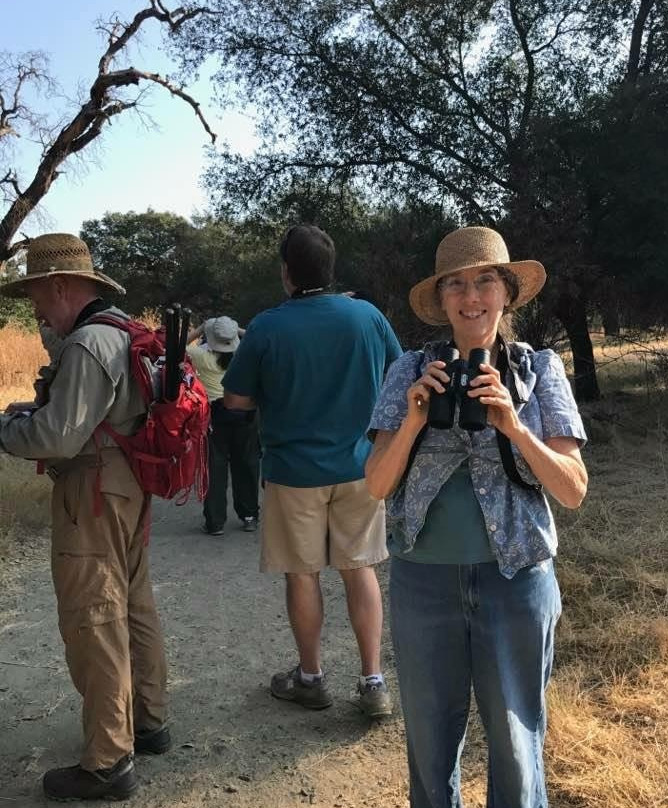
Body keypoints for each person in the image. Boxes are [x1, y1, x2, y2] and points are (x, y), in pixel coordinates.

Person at [365, 226, 588, 808]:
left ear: (507, 292)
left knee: (517, 746)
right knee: (431, 746)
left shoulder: (541, 371)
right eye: (456, 285)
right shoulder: (407, 370)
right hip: (423, 583)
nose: (472, 296)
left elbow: (573, 489)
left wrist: (513, 424)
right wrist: (414, 417)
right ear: (441, 302)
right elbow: (376, 484)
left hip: (516, 583)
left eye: (485, 280)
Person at [0, 234, 170, 802]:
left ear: (60, 287)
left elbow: (58, 437)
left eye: (38, 298)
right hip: (127, 485)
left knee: (93, 615)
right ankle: (148, 721)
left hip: (92, 491)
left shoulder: (86, 343)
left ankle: (107, 760)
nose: (36, 310)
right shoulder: (118, 331)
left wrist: (8, 428)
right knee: (133, 604)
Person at [222, 224, 402, 717]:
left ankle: (311, 677)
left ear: (286, 272)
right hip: (362, 468)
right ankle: (372, 682)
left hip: (291, 471)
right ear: (331, 268)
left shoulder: (266, 326)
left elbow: (236, 400)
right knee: (358, 568)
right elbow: (400, 375)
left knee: (302, 576)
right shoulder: (367, 316)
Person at [186, 316, 260, 535]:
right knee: (246, 464)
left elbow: (171, 346)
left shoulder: (201, 357)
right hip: (246, 412)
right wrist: (237, 330)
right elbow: (258, 338)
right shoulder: (246, 355)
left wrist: (200, 329)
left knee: (214, 467)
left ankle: (215, 521)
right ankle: (249, 515)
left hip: (213, 414)